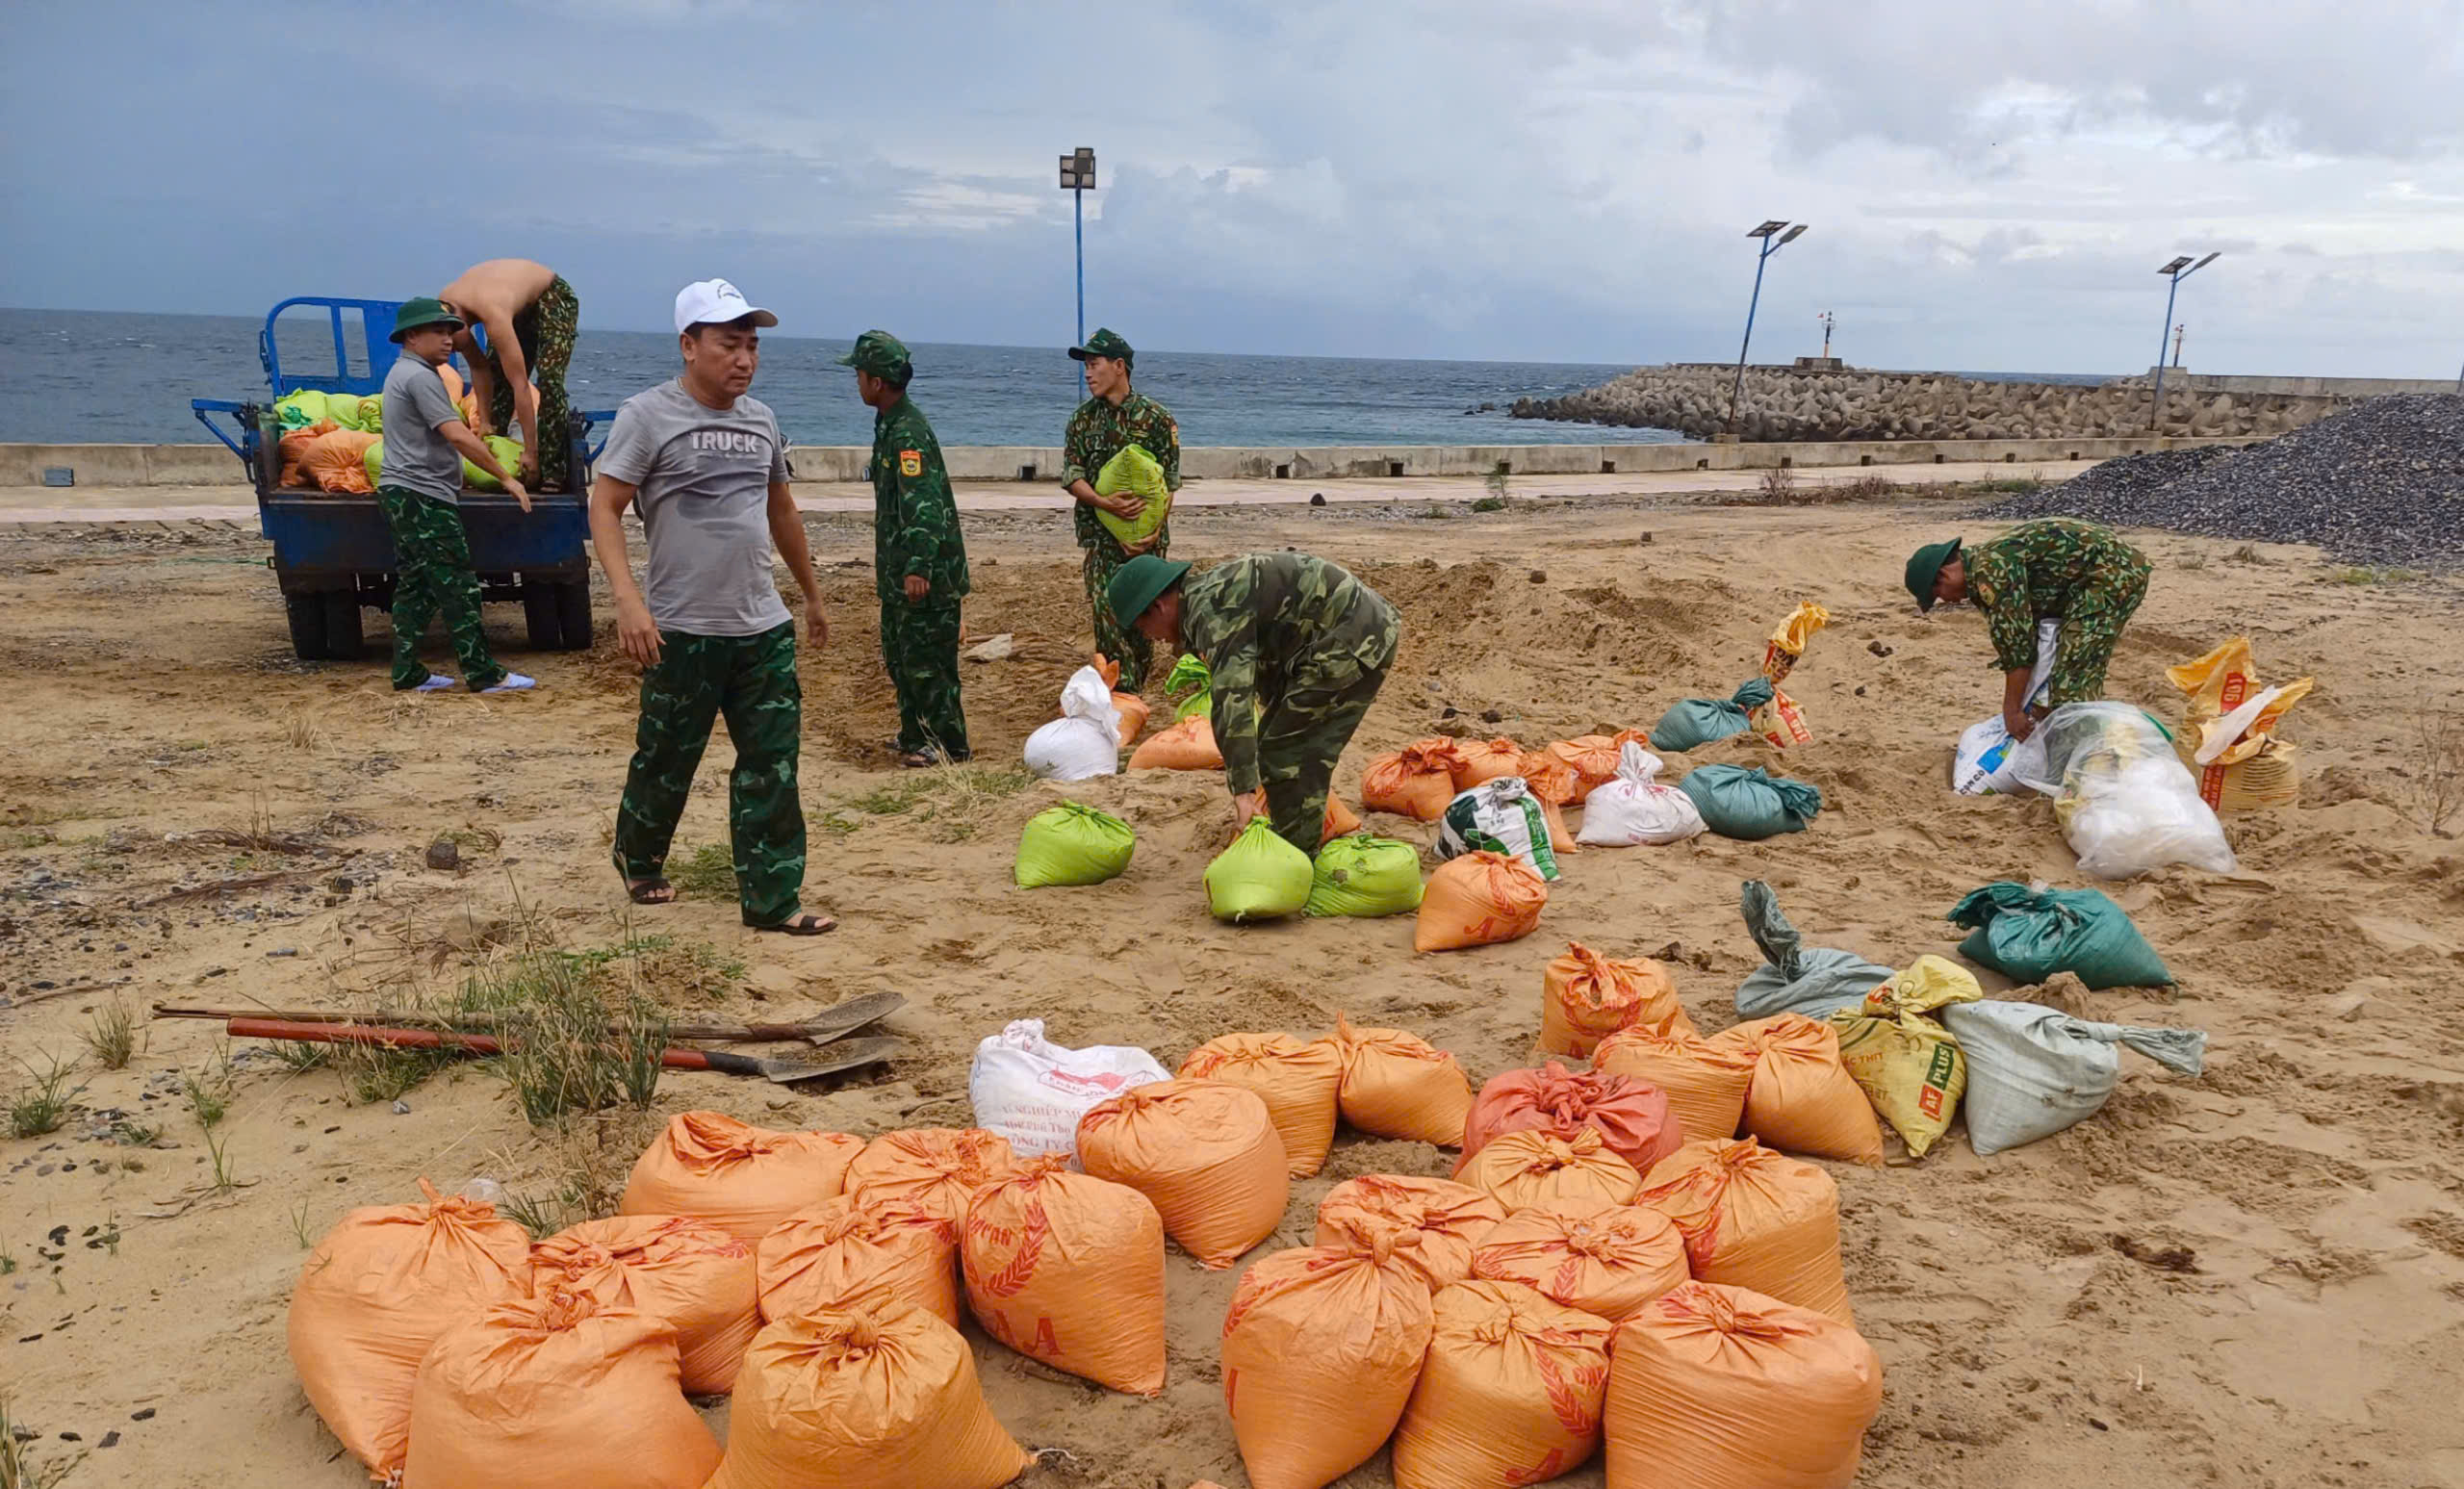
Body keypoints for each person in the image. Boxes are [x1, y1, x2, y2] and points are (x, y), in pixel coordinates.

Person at [589, 279, 834, 934]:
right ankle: (639, 858)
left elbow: (781, 509)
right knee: (667, 759)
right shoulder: (647, 415)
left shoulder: (762, 420)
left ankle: (773, 900)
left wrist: (809, 595)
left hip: (762, 626)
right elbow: (605, 507)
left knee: (772, 766)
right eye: (730, 344)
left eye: (752, 346)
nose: (745, 360)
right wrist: (628, 602)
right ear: (689, 345)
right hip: (683, 629)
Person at [1108, 551, 1399, 854]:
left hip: (1354, 637)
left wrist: (1243, 793)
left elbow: (1232, 700)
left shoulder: (1213, 612)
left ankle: (1298, 853)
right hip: (1328, 640)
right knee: (1277, 743)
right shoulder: (1203, 601)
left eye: (1143, 629)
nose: (1152, 638)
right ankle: (1292, 834)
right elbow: (1263, 669)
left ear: (1158, 607)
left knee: (1292, 752)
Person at [375, 297, 537, 695]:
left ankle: (408, 671)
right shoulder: (419, 377)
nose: (450, 339)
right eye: (438, 331)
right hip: (422, 495)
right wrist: (506, 477)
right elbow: (456, 434)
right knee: (459, 585)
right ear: (412, 336)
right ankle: (483, 674)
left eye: (451, 331)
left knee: (416, 585)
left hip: (403, 492)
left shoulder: (405, 373)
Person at [840, 330, 969, 766]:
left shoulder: (907, 433)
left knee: (928, 664)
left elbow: (925, 506)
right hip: (900, 575)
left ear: (876, 381)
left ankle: (948, 745)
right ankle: (914, 733)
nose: (856, 382)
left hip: (925, 575)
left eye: (859, 374)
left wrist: (918, 566)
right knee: (902, 657)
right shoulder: (890, 425)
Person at [1906, 519, 2153, 743]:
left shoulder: (1991, 570)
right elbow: (2027, 636)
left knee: (2074, 678)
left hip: (2113, 574)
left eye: (1938, 596)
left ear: (1944, 575)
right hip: (2093, 579)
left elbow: (2018, 648)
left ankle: (2083, 761)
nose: (1949, 602)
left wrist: (2012, 712)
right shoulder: (1983, 567)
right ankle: (2070, 745)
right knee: (2062, 680)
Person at [1060, 327, 1180, 690]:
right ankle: (1120, 693)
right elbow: (1072, 476)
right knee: (1107, 616)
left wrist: (1153, 531)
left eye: (1094, 364)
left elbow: (1169, 482)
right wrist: (1102, 502)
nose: (1088, 373)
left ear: (1119, 366)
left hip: (1148, 542)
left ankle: (1134, 690)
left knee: (1145, 622)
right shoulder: (1081, 420)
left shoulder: (1157, 419)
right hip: (1101, 542)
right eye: (1086, 366)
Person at [438, 259, 578, 492]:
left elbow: (520, 385)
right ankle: (498, 457)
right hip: (511, 301)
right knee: (496, 372)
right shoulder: (444, 307)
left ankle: (551, 470)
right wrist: (484, 422)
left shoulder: (492, 312)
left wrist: (531, 452)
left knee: (549, 378)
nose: (451, 347)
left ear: (460, 326)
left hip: (551, 295)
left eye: (453, 342)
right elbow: (479, 368)